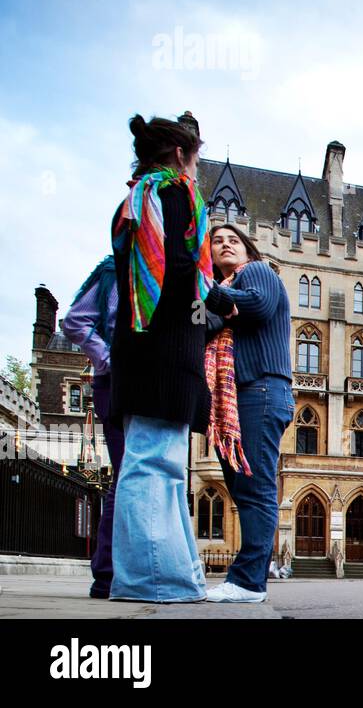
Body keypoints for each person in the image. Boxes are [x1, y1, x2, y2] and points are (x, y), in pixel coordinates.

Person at [108, 113, 237, 603]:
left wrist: (209, 314)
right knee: (155, 465)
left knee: (151, 464)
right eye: (197, 157)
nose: (197, 167)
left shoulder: (133, 201)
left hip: (139, 348)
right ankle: (154, 580)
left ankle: (167, 576)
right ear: (183, 154)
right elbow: (184, 273)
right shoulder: (175, 193)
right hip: (163, 352)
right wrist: (222, 304)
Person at [203, 223, 293, 603]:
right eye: (217, 242)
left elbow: (257, 306)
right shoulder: (221, 294)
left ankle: (249, 582)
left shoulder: (256, 271)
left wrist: (209, 293)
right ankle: (245, 579)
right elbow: (201, 325)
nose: (224, 245)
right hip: (235, 400)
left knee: (255, 489)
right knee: (243, 488)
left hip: (262, 389)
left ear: (247, 249)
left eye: (232, 241)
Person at [61, 256, 121, 599]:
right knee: (128, 475)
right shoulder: (114, 270)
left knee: (131, 476)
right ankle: (107, 575)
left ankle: (113, 573)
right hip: (115, 384)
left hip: (150, 386)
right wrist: (108, 358)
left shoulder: (168, 271)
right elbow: (75, 321)